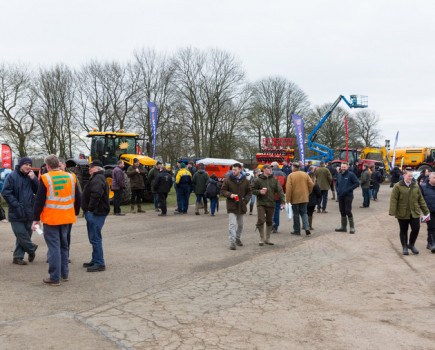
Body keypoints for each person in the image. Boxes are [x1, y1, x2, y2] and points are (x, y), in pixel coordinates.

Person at [32, 155, 81, 285]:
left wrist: (36, 219)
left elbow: (39, 200)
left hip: (51, 218)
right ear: (58, 164)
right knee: (64, 246)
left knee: (54, 247)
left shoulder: (46, 178)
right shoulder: (71, 177)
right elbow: (78, 196)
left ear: (47, 166)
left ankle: (54, 277)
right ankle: (64, 274)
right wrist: (75, 212)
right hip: (67, 217)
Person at [2, 157, 39, 265]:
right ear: (21, 165)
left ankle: (17, 257)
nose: (28, 166)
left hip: (29, 211)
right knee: (21, 234)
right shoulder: (12, 176)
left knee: (25, 235)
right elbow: (6, 192)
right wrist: (16, 205)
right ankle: (31, 249)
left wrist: (34, 179)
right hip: (16, 211)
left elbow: (38, 191)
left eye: (29, 165)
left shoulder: (31, 177)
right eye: (26, 164)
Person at [389, 169, 430, 255]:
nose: (411, 178)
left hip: (414, 212)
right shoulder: (397, 186)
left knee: (416, 228)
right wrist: (392, 211)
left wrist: (426, 211)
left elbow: (421, 199)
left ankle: (411, 245)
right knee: (403, 230)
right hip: (402, 212)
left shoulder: (415, 186)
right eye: (409, 176)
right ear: (404, 175)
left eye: (412, 176)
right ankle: (404, 246)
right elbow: (393, 199)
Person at [81, 160, 110, 271]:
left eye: (91, 167)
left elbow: (96, 194)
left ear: (98, 168)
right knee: (93, 238)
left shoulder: (98, 178)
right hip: (95, 212)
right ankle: (95, 259)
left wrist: (90, 209)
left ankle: (99, 263)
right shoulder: (96, 177)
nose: (89, 168)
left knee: (95, 238)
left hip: (96, 212)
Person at [221, 163, 251, 250]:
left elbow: (249, 192)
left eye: (235, 170)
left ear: (240, 170)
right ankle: (232, 242)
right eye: (232, 170)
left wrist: (245, 201)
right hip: (232, 205)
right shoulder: (227, 180)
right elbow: (223, 191)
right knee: (232, 224)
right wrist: (230, 195)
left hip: (242, 205)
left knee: (240, 224)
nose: (233, 171)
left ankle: (238, 238)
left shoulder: (245, 180)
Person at [252, 164, 285, 245]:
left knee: (269, 221)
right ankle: (261, 238)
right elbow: (252, 189)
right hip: (261, 203)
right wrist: (259, 192)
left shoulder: (274, 180)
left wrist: (283, 202)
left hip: (271, 203)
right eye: (269, 168)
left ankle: (268, 238)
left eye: (271, 168)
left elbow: (280, 191)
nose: (271, 170)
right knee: (261, 219)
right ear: (264, 170)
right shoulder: (258, 180)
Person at [286, 162, 314, 236]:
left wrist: (287, 199)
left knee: (296, 214)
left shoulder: (291, 175)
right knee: (304, 213)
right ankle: (307, 227)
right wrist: (308, 192)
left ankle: (297, 230)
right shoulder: (305, 174)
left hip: (295, 198)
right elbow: (311, 184)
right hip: (304, 197)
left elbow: (288, 189)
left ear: (294, 168)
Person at [335, 162, 360, 233]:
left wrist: (349, 189)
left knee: (348, 210)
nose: (343, 168)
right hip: (340, 196)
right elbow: (336, 184)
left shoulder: (351, 175)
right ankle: (343, 227)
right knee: (342, 211)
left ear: (347, 167)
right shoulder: (339, 175)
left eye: (344, 167)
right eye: (342, 167)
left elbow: (357, 183)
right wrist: (337, 190)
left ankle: (352, 227)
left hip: (348, 195)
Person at [420, 172, 435, 252]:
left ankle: (430, 243)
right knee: (432, 227)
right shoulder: (423, 187)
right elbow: (420, 199)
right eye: (434, 178)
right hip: (429, 211)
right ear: (429, 178)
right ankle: (432, 244)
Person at [271, 162, 287, 233]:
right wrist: (283, 193)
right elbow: (285, 187)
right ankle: (276, 227)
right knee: (277, 211)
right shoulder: (283, 174)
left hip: (270, 195)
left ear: (274, 166)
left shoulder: (270, 173)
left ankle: (272, 222)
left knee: (269, 211)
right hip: (279, 195)